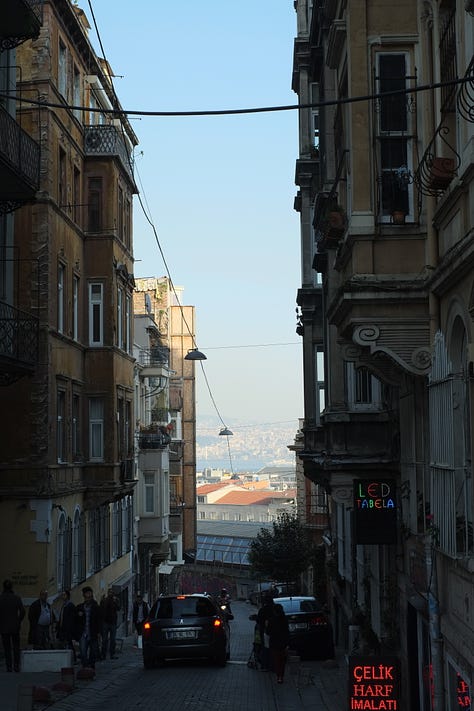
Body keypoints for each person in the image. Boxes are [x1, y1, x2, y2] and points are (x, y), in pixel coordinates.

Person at [0, 579, 25, 672]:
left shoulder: (1, 598)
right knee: (16, 647)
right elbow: (22, 611)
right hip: (15, 626)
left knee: (7, 648)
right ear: (11, 587)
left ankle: (9, 667)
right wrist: (18, 620)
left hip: (4, 627)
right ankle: (16, 666)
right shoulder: (16, 598)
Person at [75, 586, 101, 668]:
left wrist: (99, 632)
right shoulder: (80, 607)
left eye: (89, 594)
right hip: (83, 633)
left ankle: (91, 668)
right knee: (83, 652)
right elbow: (76, 621)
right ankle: (85, 667)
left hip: (93, 632)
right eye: (86, 594)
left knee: (93, 652)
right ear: (84, 596)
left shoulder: (96, 607)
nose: (88, 596)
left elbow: (99, 620)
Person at [267, 603, 290, 684]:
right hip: (283, 643)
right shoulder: (284, 619)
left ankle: (279, 676)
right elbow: (287, 632)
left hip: (274, 643)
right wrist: (287, 643)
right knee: (282, 661)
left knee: (277, 660)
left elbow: (268, 632)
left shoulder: (271, 620)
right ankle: (281, 676)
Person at [56, 590, 76, 662]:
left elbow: (72, 619)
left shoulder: (70, 605)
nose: (62, 596)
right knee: (65, 644)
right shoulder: (64, 605)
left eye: (64, 595)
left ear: (67, 596)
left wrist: (70, 629)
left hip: (68, 629)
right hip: (62, 628)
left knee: (69, 644)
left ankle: (73, 659)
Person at [100, 589, 120, 659]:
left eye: (112, 593)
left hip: (112, 622)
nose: (110, 594)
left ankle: (112, 654)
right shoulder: (105, 600)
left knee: (112, 640)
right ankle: (103, 654)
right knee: (104, 640)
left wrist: (116, 602)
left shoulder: (115, 601)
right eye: (109, 592)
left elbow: (118, 608)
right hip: (106, 622)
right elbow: (102, 609)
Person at [256, 593, 275, 670]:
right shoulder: (275, 609)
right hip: (274, 632)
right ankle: (272, 665)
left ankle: (265, 665)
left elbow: (259, 620)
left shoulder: (263, 610)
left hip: (265, 632)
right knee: (273, 648)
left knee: (265, 648)